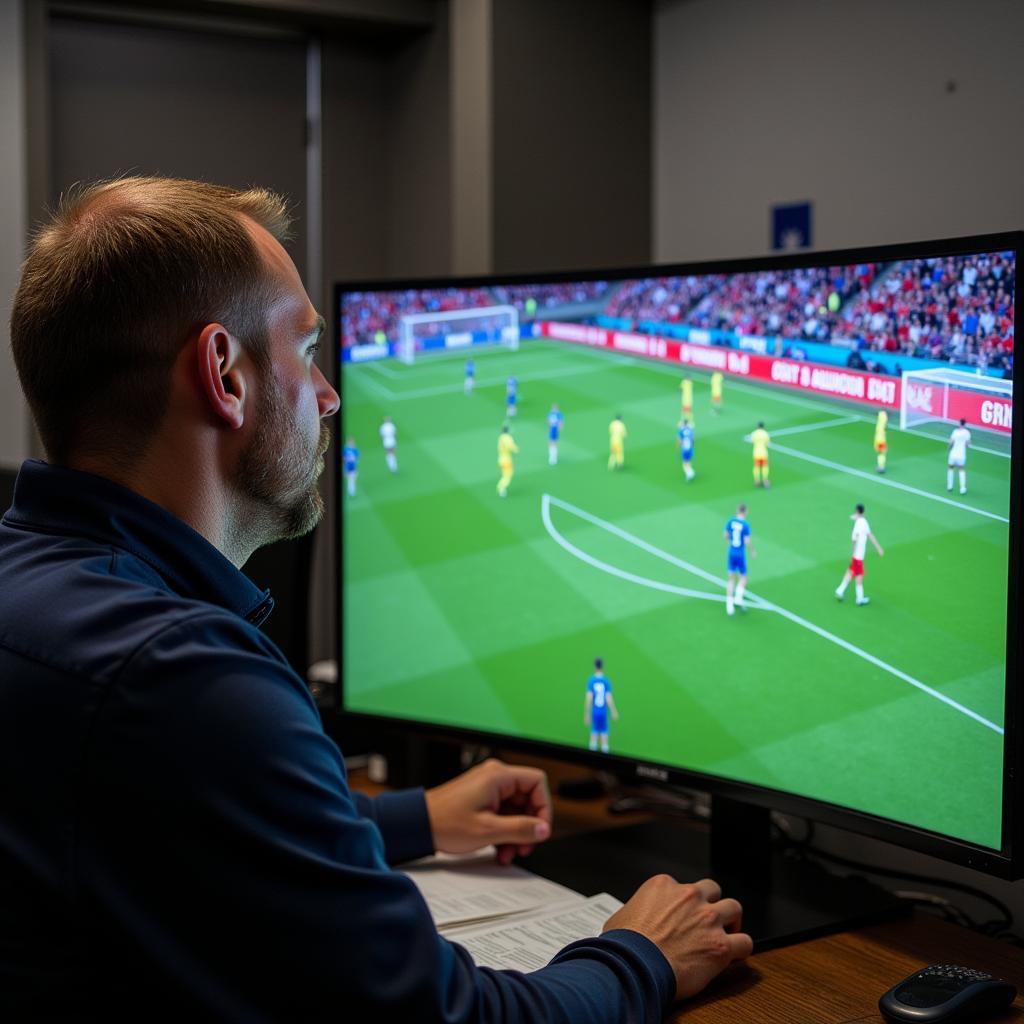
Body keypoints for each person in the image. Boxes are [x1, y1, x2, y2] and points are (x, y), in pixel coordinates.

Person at [2, 176, 751, 1022]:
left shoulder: (34, 590)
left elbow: (181, 819)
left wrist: (413, 818)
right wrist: (639, 957)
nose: (328, 397)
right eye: (308, 352)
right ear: (224, 373)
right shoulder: (181, 676)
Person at [835, 503, 885, 606]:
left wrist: (853, 551)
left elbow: (855, 538)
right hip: (858, 556)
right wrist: (878, 548)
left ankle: (840, 590)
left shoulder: (857, 523)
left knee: (851, 572)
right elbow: (869, 535)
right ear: (863, 512)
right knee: (859, 576)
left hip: (856, 556)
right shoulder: (864, 522)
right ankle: (859, 598)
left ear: (857, 511)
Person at [723, 504, 755, 616]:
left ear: (737, 510)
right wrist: (752, 551)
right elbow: (746, 541)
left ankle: (729, 605)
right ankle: (738, 598)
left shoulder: (730, 521)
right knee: (743, 577)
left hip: (731, 552)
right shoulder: (745, 525)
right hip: (740, 554)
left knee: (731, 579)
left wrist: (729, 542)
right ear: (745, 512)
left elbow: (725, 536)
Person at [584, 657, 619, 753]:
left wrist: (587, 714)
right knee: (604, 734)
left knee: (594, 733)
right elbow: (608, 697)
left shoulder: (591, 681)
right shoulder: (606, 681)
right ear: (602, 666)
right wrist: (613, 711)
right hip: (603, 711)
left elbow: (589, 698)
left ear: (594, 666)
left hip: (595, 711)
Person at [948, 417, 972, 494]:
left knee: (950, 468)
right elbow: (968, 444)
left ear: (959, 423)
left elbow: (951, 442)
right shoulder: (967, 433)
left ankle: (949, 486)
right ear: (965, 424)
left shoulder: (955, 431)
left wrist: (949, 448)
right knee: (961, 469)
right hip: (961, 454)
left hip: (953, 454)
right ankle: (962, 488)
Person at [497, 424, 519, 497]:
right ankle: (501, 488)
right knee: (508, 476)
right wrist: (516, 450)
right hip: (507, 460)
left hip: (500, 459)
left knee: (504, 475)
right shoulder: (508, 438)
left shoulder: (501, 437)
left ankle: (501, 487)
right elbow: (511, 446)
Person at [751, 421, 771, 488]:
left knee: (756, 467)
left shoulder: (754, 433)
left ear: (757, 426)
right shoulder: (766, 434)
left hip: (756, 453)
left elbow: (753, 442)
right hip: (764, 453)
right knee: (764, 466)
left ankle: (757, 480)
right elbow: (768, 444)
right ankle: (765, 480)